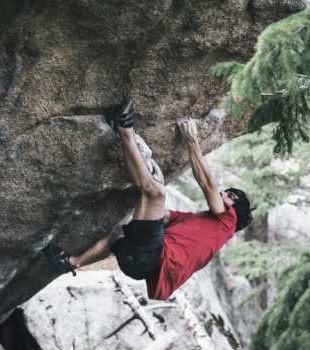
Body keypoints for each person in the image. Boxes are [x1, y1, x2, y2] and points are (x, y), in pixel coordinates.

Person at [44, 96, 253, 300]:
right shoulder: (196, 221)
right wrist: (155, 178)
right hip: (136, 264)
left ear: (234, 213)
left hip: (153, 259)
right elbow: (161, 215)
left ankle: (123, 127)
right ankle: (71, 262)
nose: (222, 194)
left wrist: (192, 140)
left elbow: (208, 184)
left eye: (230, 196)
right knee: (121, 230)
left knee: (156, 193)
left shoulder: (227, 223)